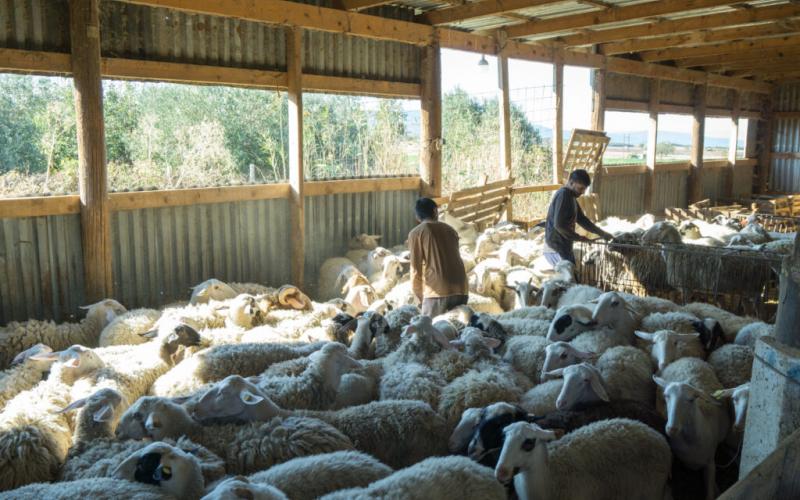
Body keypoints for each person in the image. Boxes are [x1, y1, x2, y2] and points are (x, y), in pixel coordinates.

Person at [408, 197, 469, 317]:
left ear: (417, 217)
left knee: (431, 330)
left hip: (438, 292)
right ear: (436, 211)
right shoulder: (451, 230)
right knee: (457, 332)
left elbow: (415, 270)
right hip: (462, 288)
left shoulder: (416, 233)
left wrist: (420, 298)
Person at [543, 169, 613, 267]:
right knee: (569, 281)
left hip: (563, 246)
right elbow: (559, 225)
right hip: (556, 248)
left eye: (584, 189)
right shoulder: (564, 195)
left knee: (573, 279)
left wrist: (602, 233)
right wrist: (579, 238)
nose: (583, 192)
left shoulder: (571, 197)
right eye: (581, 188)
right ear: (571, 182)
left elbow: (582, 220)